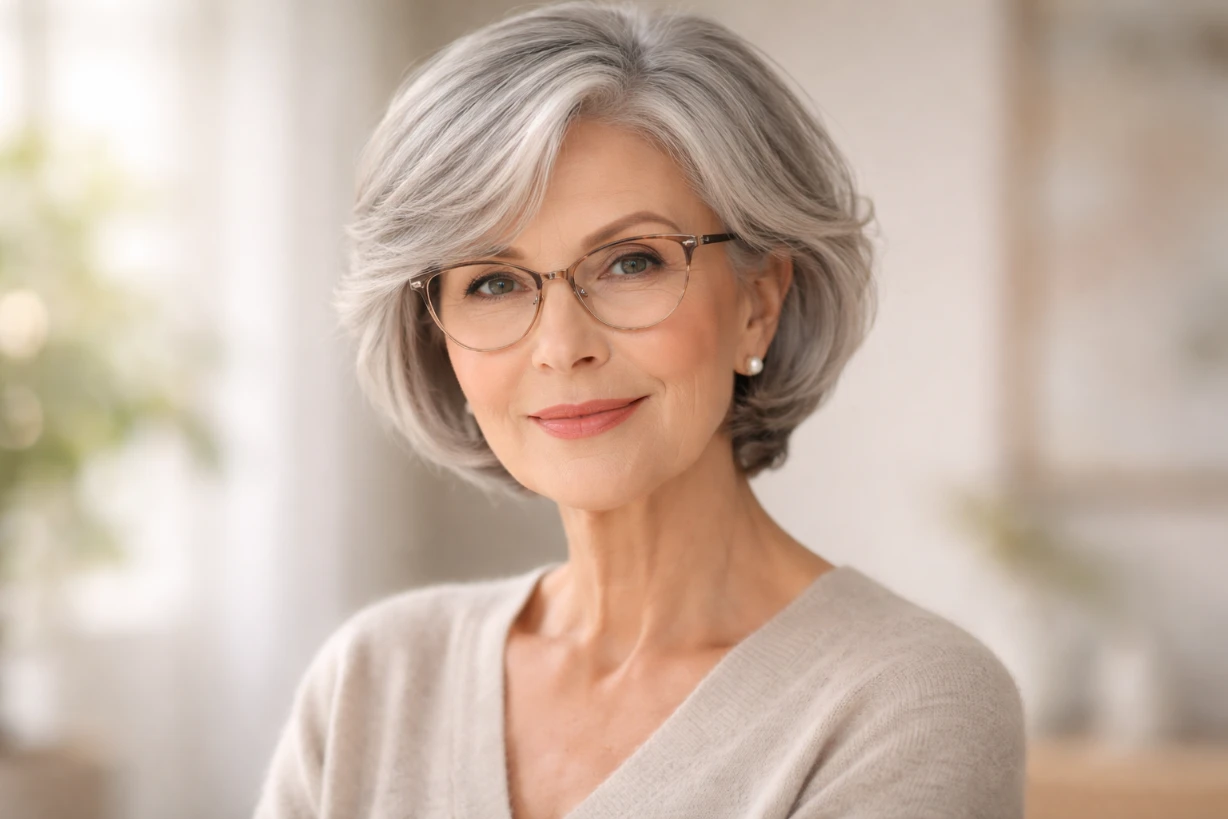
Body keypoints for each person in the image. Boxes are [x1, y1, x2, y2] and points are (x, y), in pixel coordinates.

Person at [253, 2, 1026, 817]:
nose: (562, 344)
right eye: (492, 281)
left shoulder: (907, 703)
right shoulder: (375, 678)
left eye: (631, 262)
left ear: (758, 303)